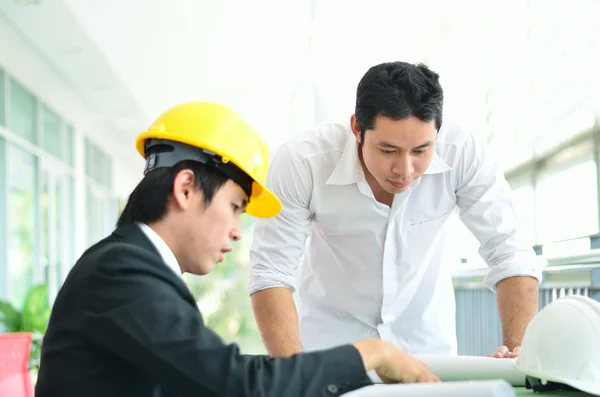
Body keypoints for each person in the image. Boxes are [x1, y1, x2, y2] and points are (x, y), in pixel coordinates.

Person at [34, 101, 440, 397]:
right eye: (233, 208)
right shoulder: (122, 273)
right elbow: (235, 384)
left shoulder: (132, 267)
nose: (235, 232)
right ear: (186, 188)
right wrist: (372, 353)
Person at [248, 61, 544, 361]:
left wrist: (519, 353)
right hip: (332, 351)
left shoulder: (462, 152)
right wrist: (295, 375)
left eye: (420, 151)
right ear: (357, 128)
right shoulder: (303, 162)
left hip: (428, 350)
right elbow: (271, 272)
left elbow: (510, 253)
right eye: (388, 150)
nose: (405, 170)